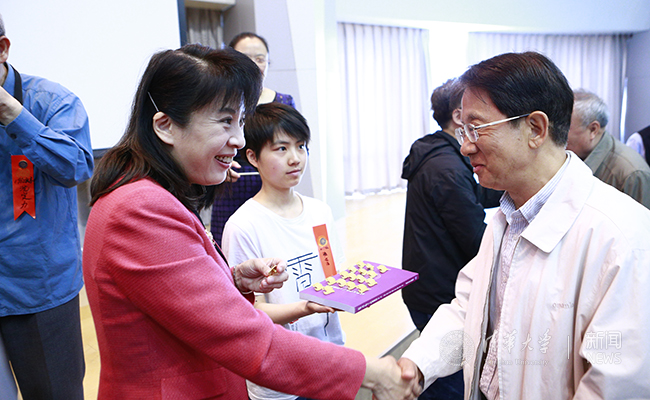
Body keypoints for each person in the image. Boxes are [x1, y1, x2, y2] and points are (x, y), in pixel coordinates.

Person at [82, 43, 420, 400]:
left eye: (240, 121)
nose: (239, 139)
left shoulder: (146, 195)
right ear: (165, 126)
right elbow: (248, 339)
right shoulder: (140, 210)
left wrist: (231, 280)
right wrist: (371, 373)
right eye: (225, 121)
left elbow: (173, 299)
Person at [397, 51, 650, 399]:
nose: (465, 146)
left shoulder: (623, 238)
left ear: (535, 129)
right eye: (463, 130)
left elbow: (614, 386)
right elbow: (469, 310)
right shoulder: (507, 216)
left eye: (476, 128)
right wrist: (417, 366)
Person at [222, 102, 345, 400]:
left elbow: (332, 277)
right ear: (253, 157)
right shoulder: (243, 225)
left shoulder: (320, 212)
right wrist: (305, 307)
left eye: (301, 146)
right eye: (281, 149)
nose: (295, 158)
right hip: (279, 376)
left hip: (329, 359)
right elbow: (247, 312)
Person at [0, 14, 92, 399]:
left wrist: (12, 114)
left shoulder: (52, 101)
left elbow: (76, 167)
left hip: (37, 288)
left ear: (2, 49)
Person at [400, 78, 501, 400]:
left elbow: (474, 194)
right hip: (440, 293)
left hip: (428, 285)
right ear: (459, 116)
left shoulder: (437, 153)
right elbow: (475, 239)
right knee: (449, 385)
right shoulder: (446, 167)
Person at [211, 32, 296, 246]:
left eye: (260, 59)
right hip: (231, 188)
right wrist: (217, 164)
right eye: (245, 58)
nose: (254, 65)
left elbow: (297, 144)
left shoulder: (284, 101)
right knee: (229, 251)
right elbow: (209, 143)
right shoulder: (217, 102)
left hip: (274, 188)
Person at [567, 89, 650, 208]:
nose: (556, 133)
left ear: (593, 130)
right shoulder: (571, 157)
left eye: (565, 127)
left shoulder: (632, 174)